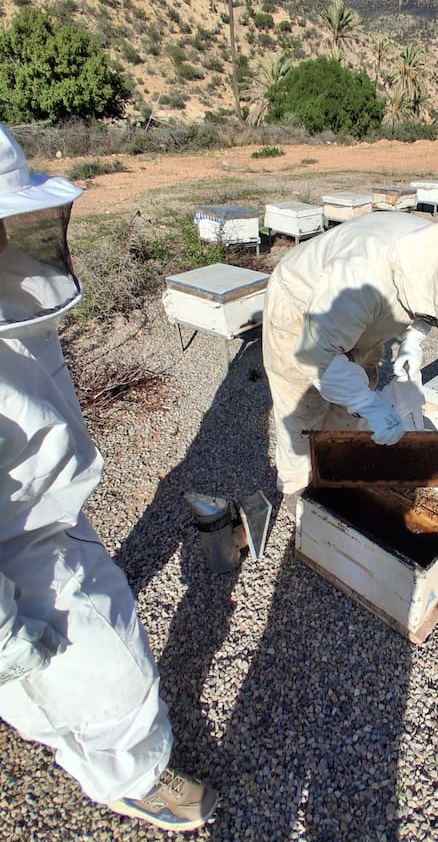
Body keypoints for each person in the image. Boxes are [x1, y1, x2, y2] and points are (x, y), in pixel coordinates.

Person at [0, 125, 217, 831]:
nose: (8, 243)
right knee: (107, 668)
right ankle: (133, 774)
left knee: (48, 675)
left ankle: (56, 722)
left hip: (36, 509)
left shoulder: (11, 295)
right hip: (17, 545)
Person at [262, 210, 438, 499]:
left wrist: (412, 342)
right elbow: (317, 356)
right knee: (302, 415)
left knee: (350, 411)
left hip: (359, 321)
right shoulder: (359, 274)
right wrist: (366, 403)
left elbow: (432, 306)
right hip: (299, 313)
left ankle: (333, 476)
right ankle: (297, 497)